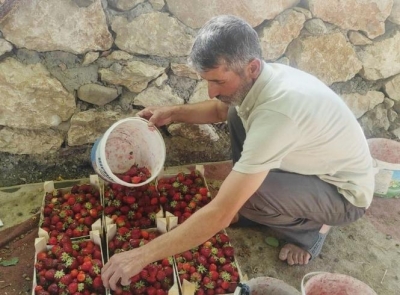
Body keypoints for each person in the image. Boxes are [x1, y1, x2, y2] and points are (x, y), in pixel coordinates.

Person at [102, 14, 374, 290]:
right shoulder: (262, 79)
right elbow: (221, 109)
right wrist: (171, 113)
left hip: (343, 195)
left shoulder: (278, 112)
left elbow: (220, 213)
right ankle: (253, 188)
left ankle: (309, 232)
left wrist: (141, 255)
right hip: (310, 165)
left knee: (244, 196)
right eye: (207, 81)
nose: (210, 92)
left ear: (252, 67)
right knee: (233, 112)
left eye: (218, 81)